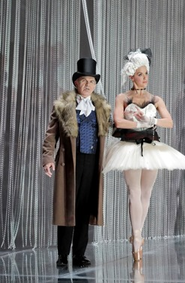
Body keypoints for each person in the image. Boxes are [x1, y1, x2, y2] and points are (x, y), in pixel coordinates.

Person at [103, 48, 185, 262]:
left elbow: (169, 122)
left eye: (146, 74)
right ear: (131, 75)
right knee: (133, 191)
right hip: (130, 147)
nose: (144, 78)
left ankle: (138, 234)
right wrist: (137, 121)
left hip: (151, 146)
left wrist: (151, 120)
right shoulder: (122, 97)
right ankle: (136, 237)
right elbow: (118, 121)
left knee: (146, 192)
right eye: (140, 74)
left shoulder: (155, 98)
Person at [42, 58, 111, 267]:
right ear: (76, 83)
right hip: (69, 163)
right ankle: (63, 255)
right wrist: (47, 158)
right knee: (67, 209)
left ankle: (79, 254)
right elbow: (51, 134)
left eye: (91, 81)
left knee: (84, 209)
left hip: (92, 163)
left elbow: (115, 129)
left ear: (95, 84)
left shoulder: (101, 108)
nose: (88, 85)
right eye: (84, 81)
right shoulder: (64, 106)